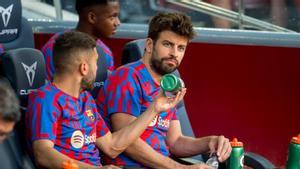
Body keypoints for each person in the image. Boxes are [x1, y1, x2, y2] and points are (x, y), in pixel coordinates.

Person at [26, 31, 185, 169]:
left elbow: (111, 146)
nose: (98, 68)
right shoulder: (45, 98)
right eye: (96, 62)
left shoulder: (86, 98)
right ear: (84, 68)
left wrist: (154, 109)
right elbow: (43, 154)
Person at [97, 12, 232, 168]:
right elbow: (127, 144)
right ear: (149, 45)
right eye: (167, 44)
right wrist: (179, 168)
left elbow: (174, 141)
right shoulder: (127, 77)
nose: (174, 53)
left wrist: (209, 142)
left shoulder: (168, 84)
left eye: (181, 48)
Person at [42, 0, 120, 81]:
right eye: (112, 17)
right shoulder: (56, 47)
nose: (117, 23)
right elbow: (46, 88)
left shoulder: (106, 53)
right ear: (92, 17)